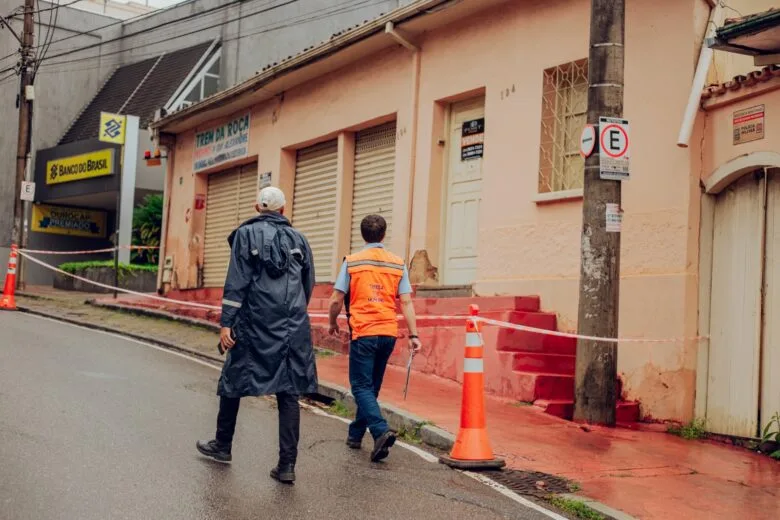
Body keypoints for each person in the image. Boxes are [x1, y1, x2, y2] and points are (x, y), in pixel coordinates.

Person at [196, 186, 317, 484]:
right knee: (289, 390)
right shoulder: (299, 239)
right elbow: (308, 283)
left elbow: (236, 281)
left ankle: (223, 445)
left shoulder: (244, 235)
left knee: (233, 378)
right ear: (284, 210)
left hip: (253, 322)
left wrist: (227, 323)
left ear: (256, 207)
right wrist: (294, 313)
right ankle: (287, 465)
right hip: (293, 326)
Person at [328, 214, 422, 463]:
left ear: (363, 235)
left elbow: (337, 298)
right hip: (388, 333)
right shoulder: (397, 263)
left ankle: (380, 431)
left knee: (360, 386)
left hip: (364, 331)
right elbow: (407, 302)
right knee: (371, 387)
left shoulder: (353, 262)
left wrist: (331, 322)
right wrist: (414, 334)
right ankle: (355, 435)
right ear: (383, 235)